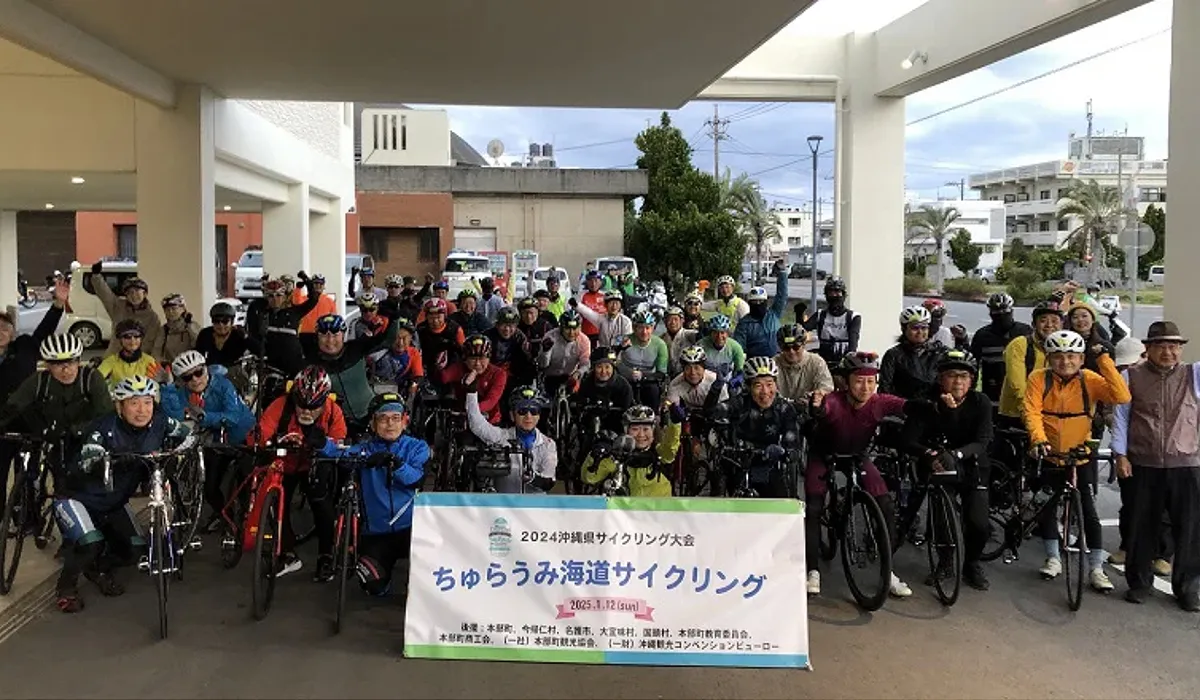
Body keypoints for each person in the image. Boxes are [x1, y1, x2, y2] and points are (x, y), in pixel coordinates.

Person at [54, 375, 191, 613]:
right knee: (91, 544)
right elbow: (89, 454)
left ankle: (96, 568)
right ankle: (66, 588)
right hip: (77, 499)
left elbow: (188, 435)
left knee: (136, 550)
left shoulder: (161, 422)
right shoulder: (103, 428)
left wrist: (183, 451)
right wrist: (107, 459)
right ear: (120, 406)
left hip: (113, 504)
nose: (142, 410)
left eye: (147, 402)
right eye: (133, 402)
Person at [805, 352, 925, 598]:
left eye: (871, 381)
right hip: (823, 455)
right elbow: (822, 410)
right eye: (859, 380)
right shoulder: (834, 401)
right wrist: (816, 406)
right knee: (814, 509)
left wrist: (933, 407)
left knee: (885, 506)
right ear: (846, 382)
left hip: (857, 456)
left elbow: (907, 406)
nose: (865, 387)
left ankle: (887, 571)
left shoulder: (879, 402)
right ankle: (812, 571)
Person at [1024, 329, 1130, 591]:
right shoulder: (1039, 379)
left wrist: (1105, 360)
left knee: (1088, 512)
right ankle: (1052, 557)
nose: (1065, 361)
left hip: (1079, 455)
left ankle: (1095, 567)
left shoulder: (1090, 379)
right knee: (1047, 508)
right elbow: (1032, 411)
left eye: (1071, 356)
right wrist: (1038, 440)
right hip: (1049, 452)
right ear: (1049, 359)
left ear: (1081, 359)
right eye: (1058, 356)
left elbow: (1121, 396)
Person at [1111, 322, 1200, 610]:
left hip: (1185, 462)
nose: (1168, 352)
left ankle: (1188, 588)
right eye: (1161, 345)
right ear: (1147, 349)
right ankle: (1139, 583)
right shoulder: (1130, 376)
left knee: (1189, 528)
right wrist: (1120, 455)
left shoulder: (1193, 374)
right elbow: (1121, 418)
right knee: (1141, 525)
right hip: (1142, 461)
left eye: (1174, 346)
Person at [317, 392, 429, 596]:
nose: (390, 424)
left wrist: (393, 462)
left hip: (412, 529)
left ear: (405, 421)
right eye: (383, 418)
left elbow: (415, 479)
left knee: (424, 585)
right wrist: (318, 442)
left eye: (396, 418)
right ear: (373, 423)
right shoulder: (365, 450)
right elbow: (337, 453)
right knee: (374, 588)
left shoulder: (417, 447)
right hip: (376, 534)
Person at [901, 350, 993, 591]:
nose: (958, 382)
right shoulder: (927, 401)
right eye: (951, 375)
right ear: (940, 378)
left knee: (979, 522)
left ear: (972, 380)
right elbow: (909, 440)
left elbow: (983, 440)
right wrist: (929, 454)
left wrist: (956, 454)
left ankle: (972, 564)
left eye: (963, 376)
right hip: (938, 464)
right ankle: (945, 563)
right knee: (942, 517)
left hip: (972, 464)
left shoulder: (980, 402)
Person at [249, 365, 348, 580]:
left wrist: (319, 442)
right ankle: (287, 553)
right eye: (301, 404)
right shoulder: (281, 405)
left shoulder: (334, 412)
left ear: (324, 401)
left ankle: (326, 555)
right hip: (286, 461)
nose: (305, 411)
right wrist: (265, 440)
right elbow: (261, 431)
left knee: (321, 502)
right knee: (274, 502)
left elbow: (338, 443)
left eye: (313, 407)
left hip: (314, 461)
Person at [0, 334, 112, 500]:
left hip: (86, 435)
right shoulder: (38, 381)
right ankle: (29, 513)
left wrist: (80, 431)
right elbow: (13, 405)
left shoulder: (91, 379)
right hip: (51, 433)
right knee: (37, 472)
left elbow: (106, 416)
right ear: (47, 365)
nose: (65, 370)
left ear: (79, 360)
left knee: (81, 480)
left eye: (71, 362)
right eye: (57, 364)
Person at [160, 350, 256, 532]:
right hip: (215, 441)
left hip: (242, 437)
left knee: (246, 482)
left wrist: (205, 416)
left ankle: (246, 518)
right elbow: (174, 415)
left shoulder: (223, 385)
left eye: (199, 372)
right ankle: (225, 517)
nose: (196, 380)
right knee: (210, 487)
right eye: (188, 377)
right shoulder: (184, 392)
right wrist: (169, 387)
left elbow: (233, 417)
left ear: (206, 370)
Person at [0, 279, 70, 486]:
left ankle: (29, 514)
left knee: (28, 479)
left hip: (29, 421)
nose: (0, 332)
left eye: (5, 328)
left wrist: (58, 304)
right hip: (1, 425)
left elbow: (44, 330)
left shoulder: (24, 346)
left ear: (13, 333)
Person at [724, 357, 802, 499]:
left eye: (769, 384)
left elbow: (793, 444)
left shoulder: (784, 408)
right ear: (748, 387)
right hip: (740, 462)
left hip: (770, 464)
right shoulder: (741, 403)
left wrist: (785, 451)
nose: (765, 391)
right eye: (758, 385)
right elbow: (718, 410)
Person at [464, 382, 557, 494]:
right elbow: (478, 425)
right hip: (504, 506)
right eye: (522, 411)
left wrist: (533, 479)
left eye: (533, 411)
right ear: (512, 415)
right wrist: (471, 393)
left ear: (539, 416)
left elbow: (548, 482)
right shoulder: (501, 437)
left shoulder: (548, 444)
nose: (528, 416)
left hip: (534, 508)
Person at [303, 314, 391, 429]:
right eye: (324, 335)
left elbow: (389, 340)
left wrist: (394, 317)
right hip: (335, 422)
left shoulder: (355, 348)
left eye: (335, 334)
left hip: (369, 415)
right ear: (317, 337)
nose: (330, 340)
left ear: (343, 335)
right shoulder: (310, 361)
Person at [581, 404, 682, 497]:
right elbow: (589, 477)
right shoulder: (617, 456)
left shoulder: (659, 453)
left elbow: (670, 448)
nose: (641, 435)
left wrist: (675, 424)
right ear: (626, 430)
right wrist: (596, 455)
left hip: (658, 511)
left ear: (653, 431)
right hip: (624, 513)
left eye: (646, 429)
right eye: (635, 429)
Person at [998, 301, 1063, 429]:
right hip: (1016, 414)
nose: (1049, 325)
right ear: (1033, 324)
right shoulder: (1020, 345)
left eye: (1054, 321)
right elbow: (1017, 384)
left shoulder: (1062, 348)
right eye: (1043, 320)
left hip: (1048, 415)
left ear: (1062, 325)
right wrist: (1029, 413)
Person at [250, 276, 323, 378]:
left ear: (284, 296)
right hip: (271, 365)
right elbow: (253, 337)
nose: (275, 299)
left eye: (279, 295)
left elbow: (313, 300)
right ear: (266, 297)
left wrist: (307, 281)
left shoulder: (294, 312)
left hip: (294, 363)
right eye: (271, 296)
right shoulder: (262, 314)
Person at [87, 263, 163, 356]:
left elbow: (150, 342)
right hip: (114, 357)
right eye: (130, 292)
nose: (134, 295)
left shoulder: (152, 317)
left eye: (137, 292)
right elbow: (105, 294)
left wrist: (134, 357)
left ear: (145, 294)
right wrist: (96, 276)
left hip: (137, 361)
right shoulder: (118, 306)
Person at [969, 293, 1031, 403]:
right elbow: (973, 365)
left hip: (1022, 392)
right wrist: (971, 392)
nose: (1001, 316)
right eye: (996, 313)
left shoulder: (1025, 331)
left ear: (1011, 311)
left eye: (1004, 312)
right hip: (992, 390)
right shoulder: (982, 335)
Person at [439, 334, 508, 425]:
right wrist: (439, 366)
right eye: (473, 359)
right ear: (465, 359)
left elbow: (491, 401)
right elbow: (443, 378)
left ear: (489, 358)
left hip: (489, 420)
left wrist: (471, 410)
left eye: (482, 358)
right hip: (463, 419)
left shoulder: (499, 374)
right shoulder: (459, 368)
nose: (478, 364)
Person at [880, 306, 946, 400]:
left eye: (924, 328)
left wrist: (962, 341)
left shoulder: (939, 352)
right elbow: (884, 388)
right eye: (915, 328)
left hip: (933, 409)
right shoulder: (893, 355)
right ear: (904, 329)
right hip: (903, 409)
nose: (920, 332)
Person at [732, 260, 790, 358]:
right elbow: (738, 349)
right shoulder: (744, 324)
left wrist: (782, 273)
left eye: (761, 301)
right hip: (755, 363)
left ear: (766, 302)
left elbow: (782, 296)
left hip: (778, 360)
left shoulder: (773, 314)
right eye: (755, 302)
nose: (758, 304)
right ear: (749, 303)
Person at [801, 277, 860, 366]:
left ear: (843, 295)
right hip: (823, 362)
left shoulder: (853, 317)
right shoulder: (820, 315)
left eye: (837, 292)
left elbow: (853, 340)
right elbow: (802, 329)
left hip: (844, 363)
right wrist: (799, 314)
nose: (834, 296)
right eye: (831, 293)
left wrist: (850, 359)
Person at [578, 346, 636, 434]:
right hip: (592, 425)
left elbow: (628, 409)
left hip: (616, 425)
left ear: (613, 368)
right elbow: (580, 403)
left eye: (607, 367)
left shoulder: (623, 385)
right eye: (599, 367)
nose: (603, 371)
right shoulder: (587, 382)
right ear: (594, 368)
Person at [617, 310, 669, 407]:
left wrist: (644, 376)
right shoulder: (624, 340)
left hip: (648, 381)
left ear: (653, 328)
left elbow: (661, 373)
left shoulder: (660, 345)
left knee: (653, 390)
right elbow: (612, 359)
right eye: (640, 328)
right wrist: (620, 348)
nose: (644, 332)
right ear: (634, 328)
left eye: (647, 328)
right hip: (626, 379)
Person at [774, 324, 834, 403]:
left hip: (809, 408)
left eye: (796, 347)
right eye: (786, 348)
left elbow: (826, 387)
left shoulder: (817, 362)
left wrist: (816, 396)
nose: (791, 352)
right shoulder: (773, 364)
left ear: (804, 345)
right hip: (779, 409)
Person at [537, 309, 590, 398]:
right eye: (567, 328)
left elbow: (585, 363)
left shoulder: (584, 340)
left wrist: (578, 373)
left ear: (580, 327)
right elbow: (543, 365)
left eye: (574, 329)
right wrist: (546, 351)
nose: (571, 333)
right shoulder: (550, 336)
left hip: (570, 377)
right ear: (561, 327)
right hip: (550, 376)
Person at [97, 319, 162, 388]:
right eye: (127, 337)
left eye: (136, 336)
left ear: (141, 339)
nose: (132, 340)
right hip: (119, 397)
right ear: (120, 339)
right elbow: (96, 379)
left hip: (144, 397)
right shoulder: (111, 361)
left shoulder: (149, 361)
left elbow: (156, 387)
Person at [194, 301, 259, 369]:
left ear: (232, 322)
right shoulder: (205, 334)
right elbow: (197, 355)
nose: (221, 325)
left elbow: (259, 351)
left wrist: (246, 337)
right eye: (216, 321)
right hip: (210, 374)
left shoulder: (238, 335)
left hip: (233, 375)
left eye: (225, 321)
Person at [417, 298, 466, 386]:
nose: (435, 321)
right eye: (431, 318)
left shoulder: (455, 329)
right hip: (426, 366)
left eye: (438, 317)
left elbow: (464, 352)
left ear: (445, 316)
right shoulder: (420, 330)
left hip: (451, 366)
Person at [368, 318, 424, 394]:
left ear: (410, 338)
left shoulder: (413, 353)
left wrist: (413, 385)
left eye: (404, 338)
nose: (400, 343)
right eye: (397, 338)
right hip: (375, 391)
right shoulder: (379, 352)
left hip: (399, 392)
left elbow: (418, 375)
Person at [666, 346, 729, 413]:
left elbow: (726, 405)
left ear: (704, 368)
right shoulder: (674, 385)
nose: (693, 373)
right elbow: (669, 409)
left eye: (697, 368)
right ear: (683, 369)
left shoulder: (716, 380)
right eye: (688, 368)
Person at [485, 306, 535, 388]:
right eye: (503, 325)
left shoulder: (520, 337)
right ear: (497, 325)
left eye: (511, 325)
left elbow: (527, 359)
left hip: (513, 376)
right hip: (491, 375)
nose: (507, 329)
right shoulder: (487, 337)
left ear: (516, 326)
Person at [697, 314, 746, 387]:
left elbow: (740, 371)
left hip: (726, 383)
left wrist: (737, 379)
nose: (719, 337)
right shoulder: (701, 345)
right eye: (715, 332)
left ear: (728, 334)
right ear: (710, 333)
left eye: (722, 332)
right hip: (705, 383)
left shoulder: (736, 347)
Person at [156, 293, 201, 365]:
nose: (170, 312)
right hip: (170, 368)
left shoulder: (192, 326)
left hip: (190, 368)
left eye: (174, 309)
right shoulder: (164, 330)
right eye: (167, 309)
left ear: (182, 309)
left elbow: (199, 345)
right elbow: (156, 352)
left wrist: (189, 327)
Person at [660, 306, 699, 377]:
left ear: (682, 321)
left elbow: (699, 335)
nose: (672, 322)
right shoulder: (661, 338)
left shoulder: (689, 334)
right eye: (669, 320)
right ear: (665, 322)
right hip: (667, 376)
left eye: (676, 319)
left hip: (686, 375)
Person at [578, 270, 608, 343]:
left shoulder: (605, 295)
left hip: (604, 334)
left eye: (596, 281)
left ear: (600, 282)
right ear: (587, 282)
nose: (593, 284)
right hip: (586, 333)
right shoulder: (582, 295)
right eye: (590, 281)